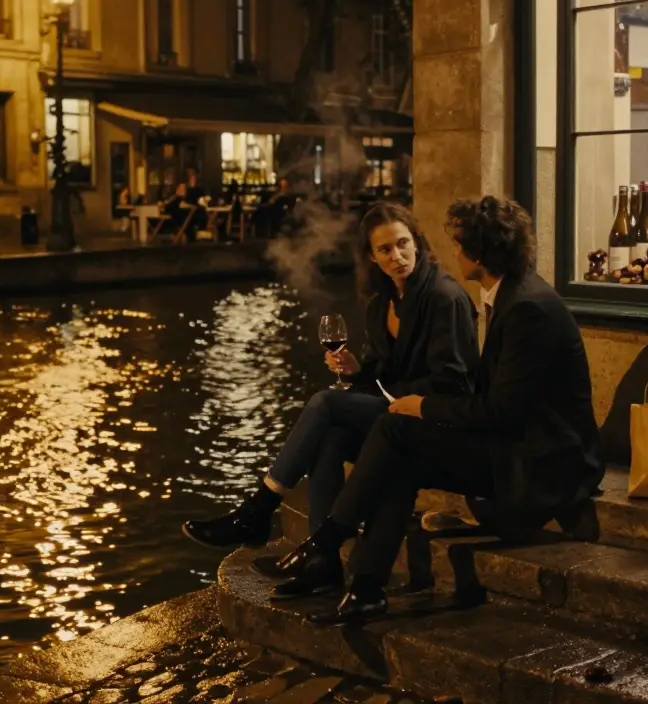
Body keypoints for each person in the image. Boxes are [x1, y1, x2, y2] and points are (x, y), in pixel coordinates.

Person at [273, 195, 604, 622]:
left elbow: (500, 411)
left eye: (462, 243)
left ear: (482, 252)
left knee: (394, 431)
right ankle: (367, 586)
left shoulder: (528, 309)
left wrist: (424, 407)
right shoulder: (512, 295)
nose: (454, 252)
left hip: (543, 463)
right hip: (514, 442)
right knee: (399, 449)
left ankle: (326, 541)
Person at [181, 203, 480, 595]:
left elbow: (454, 384)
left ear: (419, 243)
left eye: (404, 244)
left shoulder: (444, 297)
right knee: (331, 435)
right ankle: (321, 564)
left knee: (325, 404)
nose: (397, 256)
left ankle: (258, 509)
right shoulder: (381, 302)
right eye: (385, 249)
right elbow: (380, 370)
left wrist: (395, 396)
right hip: (392, 414)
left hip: (430, 420)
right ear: (372, 256)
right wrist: (357, 370)